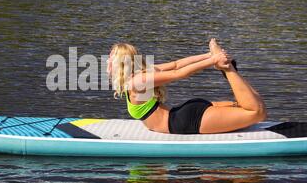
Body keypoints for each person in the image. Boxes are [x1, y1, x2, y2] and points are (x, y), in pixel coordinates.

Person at [107, 39, 267, 134]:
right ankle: (227, 68)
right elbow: (177, 65)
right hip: (182, 114)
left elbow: (178, 71)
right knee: (251, 107)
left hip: (183, 121)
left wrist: (212, 59)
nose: (107, 61)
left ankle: (228, 69)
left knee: (256, 112)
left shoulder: (138, 81)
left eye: (110, 57)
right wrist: (211, 57)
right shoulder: (142, 76)